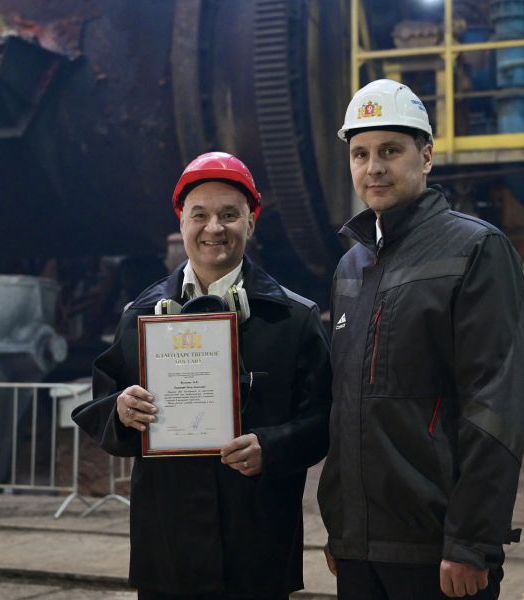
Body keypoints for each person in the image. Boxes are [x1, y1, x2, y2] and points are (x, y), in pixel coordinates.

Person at [72, 151, 331, 600]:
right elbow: (103, 406)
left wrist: (273, 447)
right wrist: (121, 411)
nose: (214, 228)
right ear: (181, 222)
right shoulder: (140, 315)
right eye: (200, 215)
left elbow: (327, 418)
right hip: (167, 549)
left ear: (251, 222)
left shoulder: (293, 319)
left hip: (258, 547)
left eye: (229, 215)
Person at [317, 79, 524, 599]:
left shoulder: (475, 250)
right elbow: (346, 407)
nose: (374, 167)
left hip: (438, 551)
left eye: (391, 150)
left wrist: (471, 540)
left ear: (427, 156)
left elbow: (495, 404)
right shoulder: (352, 266)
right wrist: (344, 527)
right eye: (361, 154)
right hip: (359, 548)